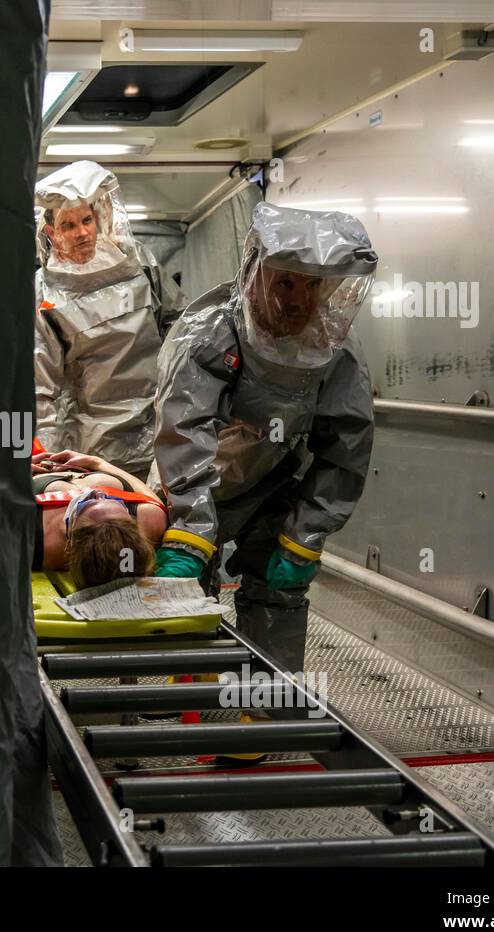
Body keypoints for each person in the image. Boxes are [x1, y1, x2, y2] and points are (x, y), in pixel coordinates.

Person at [150, 202, 378, 673]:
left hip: (272, 483)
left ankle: (265, 716)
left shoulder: (333, 352)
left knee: (279, 592)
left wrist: (305, 532)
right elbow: (185, 429)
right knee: (184, 586)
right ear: (254, 272)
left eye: (313, 285)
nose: (298, 300)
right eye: (286, 282)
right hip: (194, 481)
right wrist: (191, 527)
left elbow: (345, 449)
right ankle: (175, 692)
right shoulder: (210, 332)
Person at [33, 160, 187, 480]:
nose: (82, 233)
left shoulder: (137, 261)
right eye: (68, 225)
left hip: (159, 427)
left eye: (87, 219)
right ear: (51, 232)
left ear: (99, 216)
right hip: (91, 445)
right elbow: (41, 391)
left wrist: (185, 403)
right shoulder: (45, 294)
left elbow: (180, 326)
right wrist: (50, 468)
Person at [31, 449, 167, 588]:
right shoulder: (151, 518)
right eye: (112, 499)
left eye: (87, 502)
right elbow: (147, 494)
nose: (96, 492)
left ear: (70, 544)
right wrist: (96, 462)